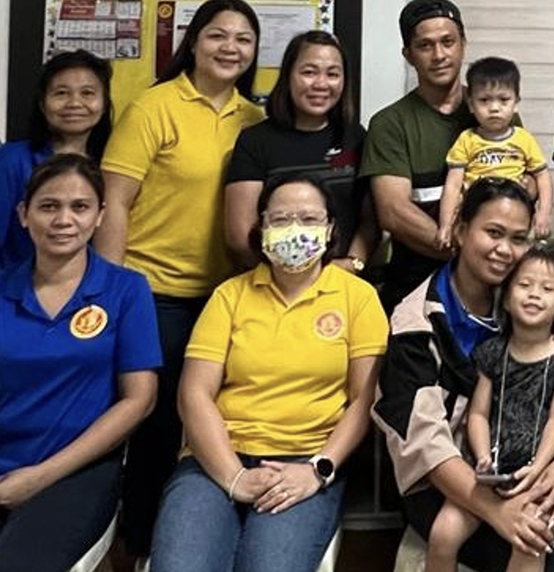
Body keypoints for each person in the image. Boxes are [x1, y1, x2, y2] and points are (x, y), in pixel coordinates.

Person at [0, 155, 160, 572]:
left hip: (76, 472)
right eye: (48, 206)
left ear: (99, 216)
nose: (63, 220)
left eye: (79, 207)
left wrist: (40, 476)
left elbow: (139, 400)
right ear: (23, 214)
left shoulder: (127, 290)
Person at [373, 178, 554, 572]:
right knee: (550, 553)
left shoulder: (524, 297)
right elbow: (424, 444)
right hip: (450, 478)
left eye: (518, 238)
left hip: (532, 459)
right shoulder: (415, 323)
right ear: (460, 230)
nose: (505, 250)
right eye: (493, 233)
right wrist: (496, 511)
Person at [95, 0, 265, 558]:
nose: (230, 48)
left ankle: (202, 541)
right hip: (153, 294)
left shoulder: (254, 119)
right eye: (218, 35)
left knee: (217, 424)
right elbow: (114, 203)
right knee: (157, 427)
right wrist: (111, 294)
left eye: (243, 39)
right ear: (193, 42)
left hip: (226, 296)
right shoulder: (154, 107)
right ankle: (142, 544)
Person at [149, 171, 386, 572]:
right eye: (280, 219)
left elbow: (365, 400)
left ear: (331, 230)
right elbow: (194, 394)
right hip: (216, 457)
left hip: (305, 461)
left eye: (308, 219)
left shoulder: (357, 298)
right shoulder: (229, 295)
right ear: (260, 229)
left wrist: (318, 469)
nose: (294, 229)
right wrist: (234, 477)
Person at [428, 247, 554, 572]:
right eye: (524, 285)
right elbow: (478, 414)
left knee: (531, 540)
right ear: (507, 299)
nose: (534, 294)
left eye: (547, 288)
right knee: (443, 533)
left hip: (537, 476)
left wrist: (538, 466)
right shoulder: (490, 352)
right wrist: (483, 456)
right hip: (490, 473)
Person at [225, 30, 376, 273]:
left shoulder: (355, 136)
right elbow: (240, 237)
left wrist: (352, 264)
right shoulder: (255, 141)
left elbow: (370, 220)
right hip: (273, 282)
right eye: (309, 72)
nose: (321, 84)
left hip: (343, 279)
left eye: (333, 74)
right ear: (288, 76)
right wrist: (296, 276)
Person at [362, 0, 478, 311]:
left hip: (490, 290)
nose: (439, 55)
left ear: (463, 44)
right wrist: (472, 255)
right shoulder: (389, 124)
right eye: (425, 46)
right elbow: (393, 212)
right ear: (408, 55)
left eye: (447, 42)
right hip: (415, 289)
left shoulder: (494, 112)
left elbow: (522, 185)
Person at [0, 49, 113, 286]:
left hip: (89, 302)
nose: (75, 103)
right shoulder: (8, 162)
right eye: (61, 93)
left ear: (104, 103)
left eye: (87, 93)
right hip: (14, 300)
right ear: (42, 104)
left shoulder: (115, 166)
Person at [436, 57, 553, 249]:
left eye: (504, 100)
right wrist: (445, 226)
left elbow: (543, 176)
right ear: (471, 104)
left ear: (516, 103)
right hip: (476, 215)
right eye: (484, 100)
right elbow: (453, 185)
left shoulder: (524, 139)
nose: (494, 108)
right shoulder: (466, 140)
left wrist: (544, 214)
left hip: (515, 213)